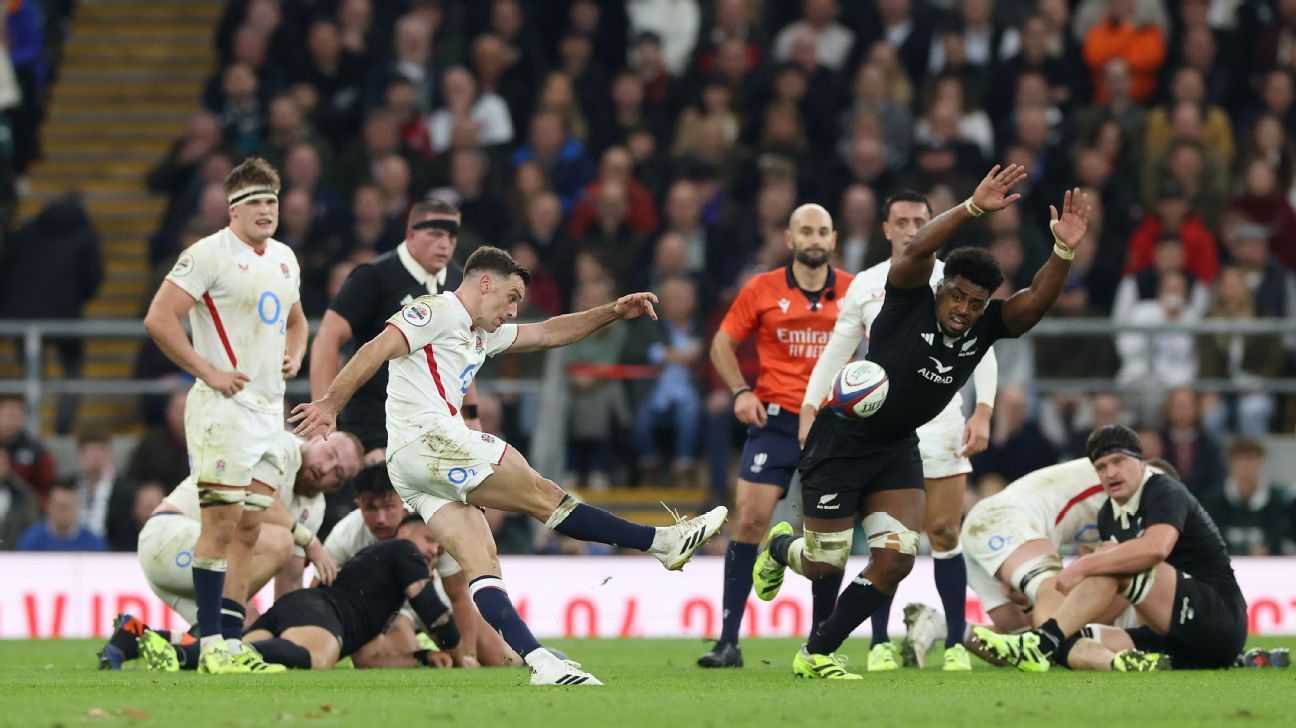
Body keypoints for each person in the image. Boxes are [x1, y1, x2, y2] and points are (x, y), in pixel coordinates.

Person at [291, 246, 727, 686]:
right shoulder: (437, 310)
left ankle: (540, 661)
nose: (514, 309)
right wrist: (331, 403)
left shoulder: (482, 333)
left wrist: (612, 312)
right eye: (511, 296)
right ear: (485, 283)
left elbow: (551, 332)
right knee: (544, 495)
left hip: (413, 470)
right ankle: (660, 542)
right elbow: (376, 347)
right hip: (430, 440)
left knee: (482, 561)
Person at [753, 165, 1090, 680]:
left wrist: (1062, 252)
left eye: (977, 303)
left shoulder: (984, 327)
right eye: (957, 295)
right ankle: (781, 546)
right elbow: (915, 251)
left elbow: (1033, 304)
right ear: (940, 287)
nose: (964, 309)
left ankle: (816, 652)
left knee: (897, 559)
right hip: (841, 441)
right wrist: (973, 207)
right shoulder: (907, 298)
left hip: (895, 449)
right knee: (825, 564)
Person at [799, 190, 998, 672]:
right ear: (886, 228)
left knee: (943, 531)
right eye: (903, 220)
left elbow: (983, 347)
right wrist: (809, 405)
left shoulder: (957, 282)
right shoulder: (870, 283)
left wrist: (984, 409)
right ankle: (878, 643)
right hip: (874, 422)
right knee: (865, 544)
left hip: (941, 418)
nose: (912, 227)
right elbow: (838, 347)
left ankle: (954, 641)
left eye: (921, 219)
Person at [142, 156, 307, 673]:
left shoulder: (284, 258)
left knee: (252, 529)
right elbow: (158, 317)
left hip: (266, 415)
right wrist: (207, 370)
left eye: (272, 201)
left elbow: (298, 321)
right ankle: (212, 642)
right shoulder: (206, 255)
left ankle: (231, 643)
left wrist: (296, 353)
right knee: (219, 526)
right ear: (232, 210)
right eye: (255, 201)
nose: (266, 210)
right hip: (222, 411)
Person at [698, 203, 853, 669]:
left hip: (833, 422)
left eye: (822, 231)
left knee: (826, 533)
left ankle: (818, 644)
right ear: (788, 238)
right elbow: (721, 344)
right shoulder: (761, 289)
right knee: (749, 520)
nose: (814, 239)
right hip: (777, 418)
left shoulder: (854, 290)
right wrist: (741, 391)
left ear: (833, 238)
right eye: (805, 231)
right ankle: (728, 642)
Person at [974, 425, 1248, 671]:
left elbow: (1156, 549)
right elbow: (1107, 603)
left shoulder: (1164, 489)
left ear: (1141, 463)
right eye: (1102, 467)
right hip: (1174, 638)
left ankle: (1039, 643)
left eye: (1119, 461)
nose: (1111, 473)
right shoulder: (1107, 515)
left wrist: (1083, 566)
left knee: (1113, 562)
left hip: (1219, 620)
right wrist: (1043, 615)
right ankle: (1100, 659)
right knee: (1070, 639)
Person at [98, 430, 362, 670]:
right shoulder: (279, 446)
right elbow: (258, 501)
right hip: (170, 535)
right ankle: (199, 641)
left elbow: (290, 583)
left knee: (244, 631)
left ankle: (133, 635)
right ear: (315, 439)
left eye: (337, 473)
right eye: (329, 454)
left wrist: (291, 640)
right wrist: (309, 541)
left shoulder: (314, 508)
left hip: (201, 562)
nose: (325, 468)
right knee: (278, 541)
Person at [135, 515, 466, 672]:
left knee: (238, 654)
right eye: (429, 540)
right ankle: (169, 651)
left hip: (300, 608)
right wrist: (456, 653)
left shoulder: (383, 585)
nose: (434, 550)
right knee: (318, 659)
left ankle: (150, 643)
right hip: (321, 614)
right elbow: (433, 610)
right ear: (406, 532)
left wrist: (423, 658)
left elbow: (368, 660)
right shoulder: (403, 550)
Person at [309, 198, 470, 464]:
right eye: (435, 234)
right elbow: (327, 337)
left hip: (433, 424)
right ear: (411, 235)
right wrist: (323, 412)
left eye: (451, 236)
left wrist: (471, 415)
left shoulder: (457, 282)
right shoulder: (374, 276)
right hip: (372, 422)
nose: (445, 244)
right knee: (379, 498)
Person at [959, 456, 1179, 637]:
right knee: (1051, 594)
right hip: (1004, 519)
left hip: (983, 525)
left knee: (1018, 638)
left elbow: (1093, 581)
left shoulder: (1105, 506)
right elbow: (1115, 590)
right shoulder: (1149, 483)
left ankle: (947, 627)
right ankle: (1052, 646)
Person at [323, 465, 515, 668]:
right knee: (409, 658)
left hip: (436, 601)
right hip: (389, 614)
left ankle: (539, 656)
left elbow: (458, 596)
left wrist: (468, 655)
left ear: (402, 501)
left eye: (388, 507)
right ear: (358, 504)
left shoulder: (432, 528)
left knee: (500, 659)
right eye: (371, 508)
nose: (380, 519)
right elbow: (321, 587)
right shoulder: (345, 534)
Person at [17, 482, 107, 552]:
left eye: (67, 507)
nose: (62, 512)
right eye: (59, 506)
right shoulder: (31, 540)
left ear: (77, 508)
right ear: (48, 507)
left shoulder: (94, 543)